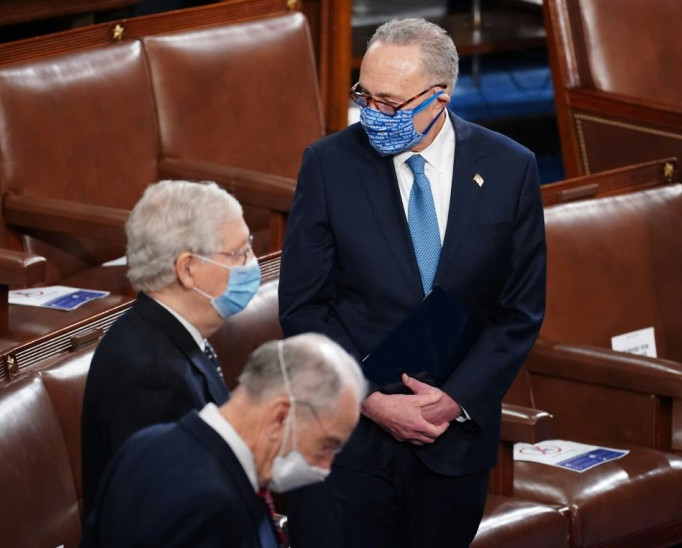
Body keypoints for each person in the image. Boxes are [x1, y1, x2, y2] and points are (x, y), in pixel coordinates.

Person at [278, 17, 546, 548]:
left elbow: (519, 311)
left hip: (453, 449)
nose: (372, 114)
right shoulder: (329, 165)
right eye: (365, 96)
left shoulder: (510, 168)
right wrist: (373, 400)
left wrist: (454, 400)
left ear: (440, 97)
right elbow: (304, 309)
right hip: (346, 449)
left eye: (391, 104)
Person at [81, 334, 366, 548]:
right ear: (281, 415)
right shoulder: (212, 507)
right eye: (328, 444)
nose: (326, 466)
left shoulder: (145, 443)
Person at [81, 179, 261, 517]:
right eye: (239, 253)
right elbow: (170, 518)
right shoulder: (149, 375)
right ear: (188, 269)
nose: (252, 262)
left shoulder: (167, 332)